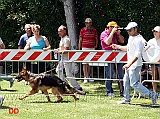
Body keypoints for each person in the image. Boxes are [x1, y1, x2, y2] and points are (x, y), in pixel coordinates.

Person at [112, 22, 158, 105]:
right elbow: (128, 48)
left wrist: (129, 64)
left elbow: (137, 55)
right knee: (126, 81)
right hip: (130, 64)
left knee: (134, 84)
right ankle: (126, 99)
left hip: (135, 65)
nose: (128, 32)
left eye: (130, 30)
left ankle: (152, 95)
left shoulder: (139, 40)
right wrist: (118, 46)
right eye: (127, 30)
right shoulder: (131, 37)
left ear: (135, 29)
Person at [100, 21, 124, 97]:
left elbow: (122, 41)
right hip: (108, 56)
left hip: (117, 56)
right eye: (113, 27)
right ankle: (109, 91)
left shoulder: (116, 34)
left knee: (120, 74)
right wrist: (112, 33)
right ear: (109, 27)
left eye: (116, 27)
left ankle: (122, 91)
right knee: (109, 74)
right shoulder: (104, 34)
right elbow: (107, 42)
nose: (115, 29)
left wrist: (119, 34)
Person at [55, 25, 83, 90]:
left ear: (64, 31)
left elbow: (66, 50)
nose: (59, 33)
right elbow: (61, 48)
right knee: (58, 70)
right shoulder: (62, 39)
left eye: (60, 31)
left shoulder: (66, 39)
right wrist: (57, 49)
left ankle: (77, 87)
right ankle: (65, 84)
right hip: (62, 58)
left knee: (69, 74)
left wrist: (59, 51)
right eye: (58, 31)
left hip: (67, 58)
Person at [78, 18, 98, 83]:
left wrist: (96, 45)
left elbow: (96, 38)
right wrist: (79, 48)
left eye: (89, 22)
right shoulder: (82, 30)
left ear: (91, 23)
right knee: (84, 63)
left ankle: (89, 76)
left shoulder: (94, 30)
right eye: (86, 23)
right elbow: (80, 39)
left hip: (92, 47)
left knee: (90, 63)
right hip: (84, 47)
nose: (88, 24)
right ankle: (85, 77)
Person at [147, 26, 160, 92]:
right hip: (153, 61)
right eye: (154, 31)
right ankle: (155, 92)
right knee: (154, 77)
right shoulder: (151, 41)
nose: (154, 33)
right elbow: (146, 51)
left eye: (156, 31)